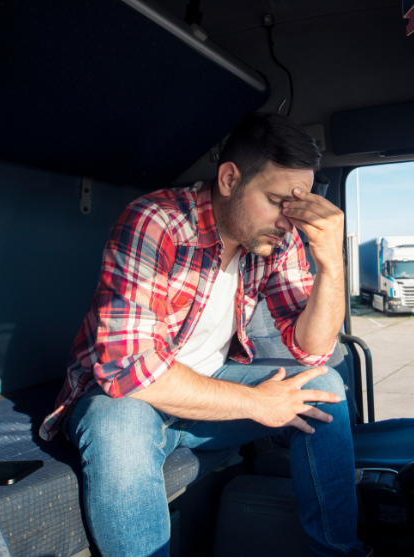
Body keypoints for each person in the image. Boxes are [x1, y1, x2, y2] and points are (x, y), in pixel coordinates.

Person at [39, 112, 366, 556]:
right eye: (275, 200)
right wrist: (256, 403)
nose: (287, 221)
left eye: (296, 206)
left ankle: (340, 550)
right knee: (119, 422)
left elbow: (312, 350)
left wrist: (331, 261)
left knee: (323, 386)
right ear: (230, 179)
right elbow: (130, 372)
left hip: (210, 388)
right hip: (132, 397)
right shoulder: (157, 221)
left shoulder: (275, 238)